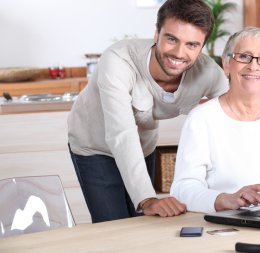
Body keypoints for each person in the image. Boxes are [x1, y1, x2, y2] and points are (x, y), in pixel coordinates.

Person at [67, 0, 229, 223]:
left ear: (201, 47)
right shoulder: (119, 60)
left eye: (192, 45)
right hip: (94, 146)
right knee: (113, 225)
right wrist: (148, 199)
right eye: (171, 39)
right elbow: (121, 133)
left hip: (141, 145)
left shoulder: (209, 72)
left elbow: (233, 118)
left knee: (142, 222)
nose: (179, 53)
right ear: (156, 34)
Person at [170, 27, 260, 213]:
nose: (253, 66)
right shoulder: (202, 118)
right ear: (227, 64)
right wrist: (224, 199)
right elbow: (182, 189)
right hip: (226, 221)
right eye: (244, 56)